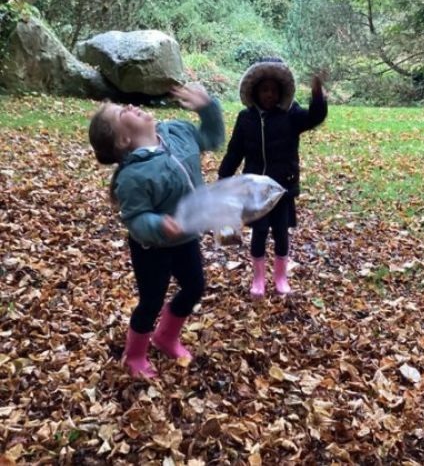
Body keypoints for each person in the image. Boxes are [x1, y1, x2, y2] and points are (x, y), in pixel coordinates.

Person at [88, 84, 225, 377]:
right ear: (124, 138)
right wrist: (158, 225)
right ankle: (134, 354)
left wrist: (208, 107)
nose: (130, 106)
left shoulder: (176, 133)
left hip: (185, 238)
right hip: (151, 247)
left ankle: (166, 337)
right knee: (151, 300)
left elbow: (212, 139)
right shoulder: (132, 176)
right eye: (122, 112)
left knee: (195, 287)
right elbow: (135, 218)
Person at [218, 57, 327, 297]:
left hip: (282, 187)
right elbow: (235, 150)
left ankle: (280, 277)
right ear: (255, 92)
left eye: (274, 91)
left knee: (280, 232)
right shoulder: (245, 118)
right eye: (264, 90)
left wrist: (318, 96)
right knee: (259, 231)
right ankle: (258, 279)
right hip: (255, 189)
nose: (269, 95)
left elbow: (314, 117)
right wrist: (223, 178)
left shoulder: (291, 114)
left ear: (281, 93)